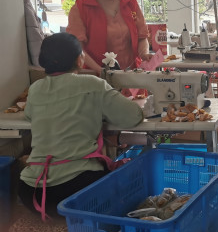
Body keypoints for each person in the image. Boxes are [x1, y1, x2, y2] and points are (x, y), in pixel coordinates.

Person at [18, 33, 144, 220]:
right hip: (75, 189)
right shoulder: (92, 84)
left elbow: (29, 114)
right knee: (135, 178)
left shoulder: (36, 88)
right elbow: (134, 116)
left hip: (32, 190)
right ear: (79, 60)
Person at [67, 0, 151, 74]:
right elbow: (77, 48)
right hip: (95, 75)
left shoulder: (130, 3)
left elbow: (142, 36)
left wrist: (144, 54)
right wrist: (100, 71)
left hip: (131, 73)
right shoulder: (81, 8)